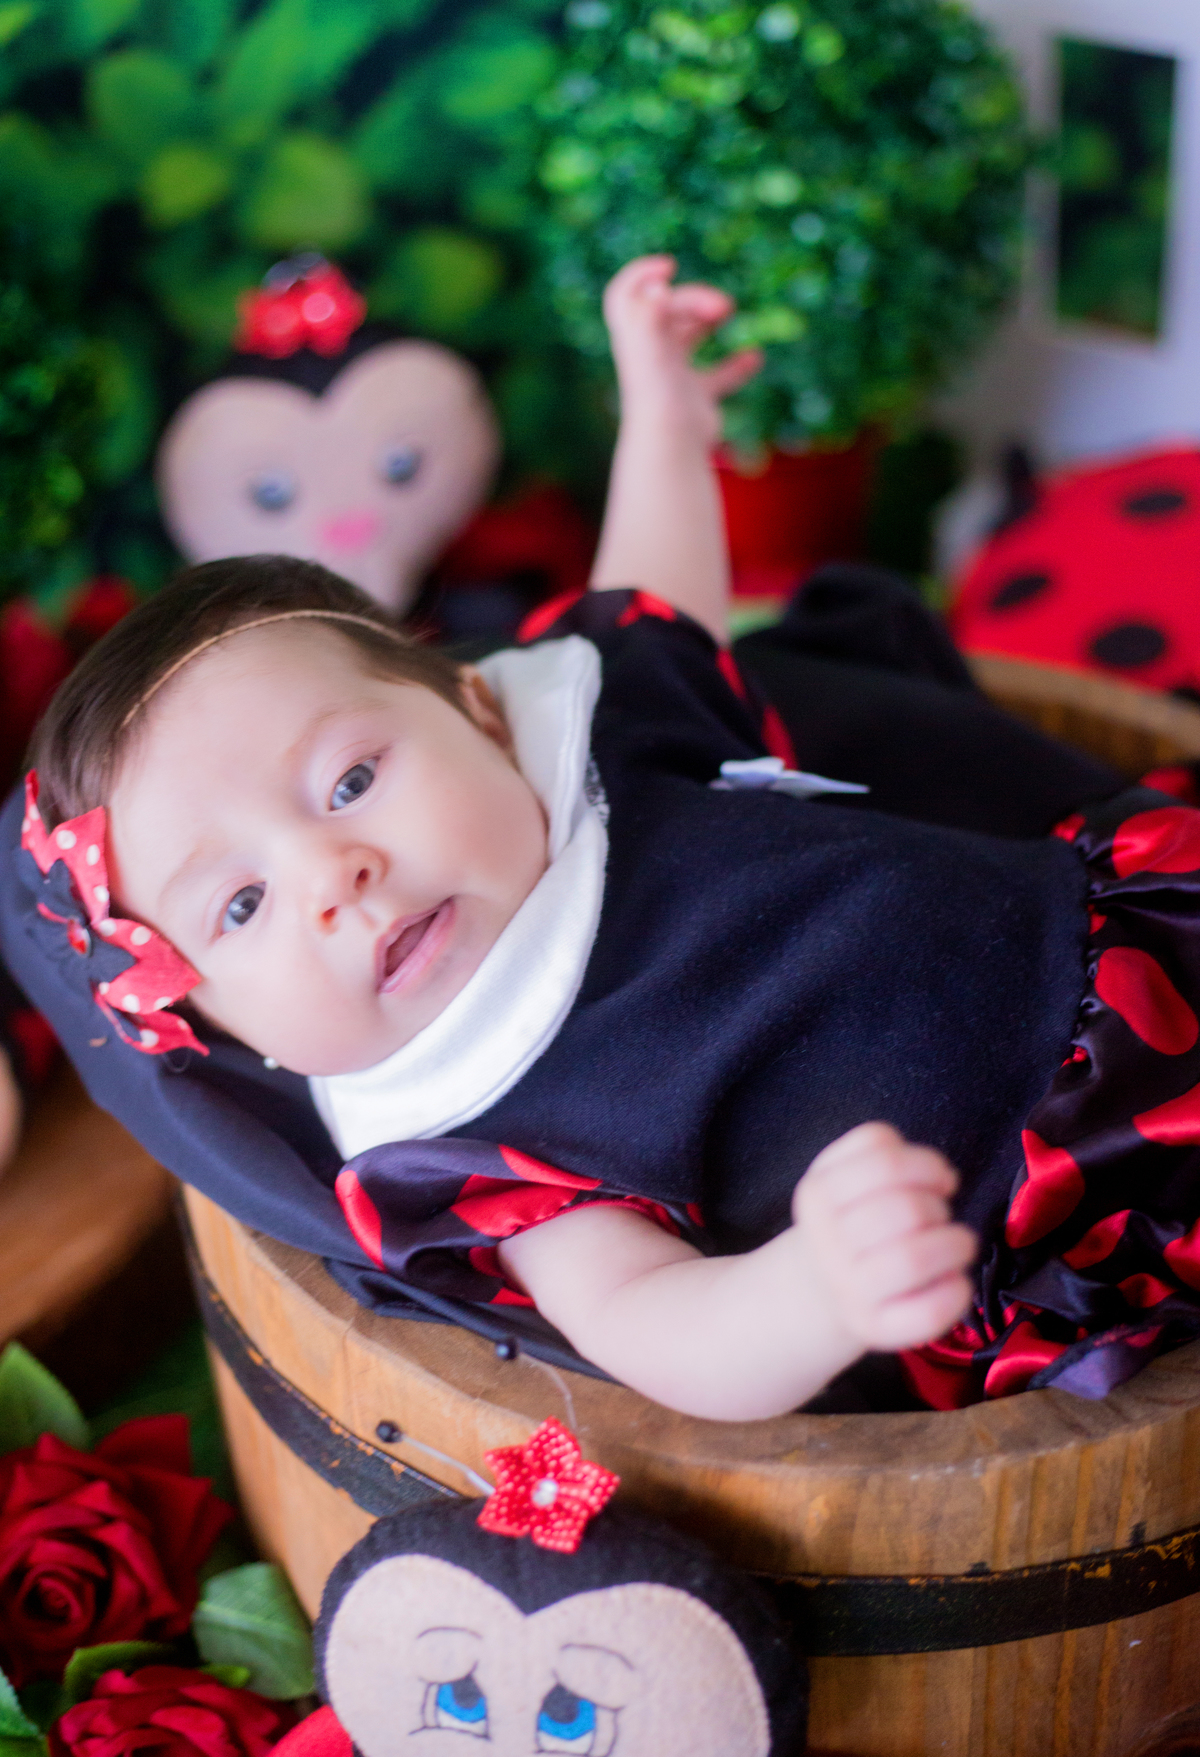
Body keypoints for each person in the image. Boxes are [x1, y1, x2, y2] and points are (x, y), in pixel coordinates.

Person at [15, 260, 1200, 1417]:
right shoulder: (462, 1132)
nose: (333, 873)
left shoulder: (583, 742)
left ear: (477, 708)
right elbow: (654, 1329)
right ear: (219, 1023)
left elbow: (658, 598)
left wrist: (665, 424)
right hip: (1056, 1185)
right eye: (239, 906)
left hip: (1122, 949)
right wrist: (814, 1291)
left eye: (354, 777)